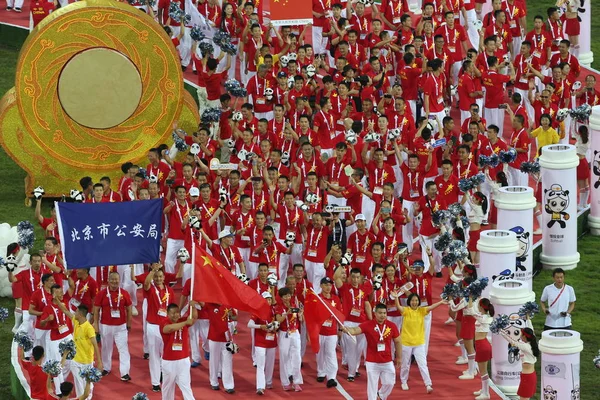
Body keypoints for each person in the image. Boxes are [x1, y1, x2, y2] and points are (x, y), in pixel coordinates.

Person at [342, 303, 402, 400]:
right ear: (375, 313)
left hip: (387, 360)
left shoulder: (392, 326)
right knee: (372, 386)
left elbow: (398, 341)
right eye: (380, 313)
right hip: (372, 361)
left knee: (390, 382)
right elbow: (355, 330)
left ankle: (381, 395)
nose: (382, 315)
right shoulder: (368, 324)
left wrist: (399, 357)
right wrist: (347, 330)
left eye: (384, 313)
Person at [398, 293, 448, 394]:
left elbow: (431, 307)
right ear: (409, 301)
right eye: (412, 300)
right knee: (405, 364)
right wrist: (395, 298)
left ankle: (428, 384)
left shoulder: (421, 311)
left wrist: (441, 302)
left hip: (419, 343)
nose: (414, 302)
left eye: (416, 300)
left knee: (423, 364)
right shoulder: (406, 310)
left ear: (418, 302)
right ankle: (403, 381)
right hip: (406, 342)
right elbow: (398, 307)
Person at [92, 271, 132, 381]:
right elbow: (96, 309)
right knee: (106, 347)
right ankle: (106, 367)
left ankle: (125, 373)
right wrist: (95, 324)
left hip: (121, 326)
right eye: (112, 279)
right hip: (105, 325)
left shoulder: (124, 293)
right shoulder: (102, 293)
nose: (114, 281)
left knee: (123, 349)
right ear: (108, 281)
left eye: (116, 279)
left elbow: (129, 308)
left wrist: (129, 323)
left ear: (119, 281)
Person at [58, 303, 102, 399]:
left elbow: (95, 345)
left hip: (87, 362)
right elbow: (65, 311)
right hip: (75, 361)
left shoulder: (89, 328)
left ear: (81, 314)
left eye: (76, 311)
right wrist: (56, 299)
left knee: (88, 386)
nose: (75, 313)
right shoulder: (77, 322)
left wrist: (99, 362)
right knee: (79, 386)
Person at [160, 303, 197, 400]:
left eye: (177, 313)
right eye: (173, 313)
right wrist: (185, 323)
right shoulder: (164, 322)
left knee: (186, 386)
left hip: (183, 360)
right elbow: (169, 329)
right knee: (168, 388)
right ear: (167, 314)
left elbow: (194, 318)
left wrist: (193, 306)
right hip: (169, 361)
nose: (176, 315)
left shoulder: (181, 320)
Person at [247, 292, 278, 395]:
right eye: (266, 299)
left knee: (270, 364)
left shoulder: (274, 310)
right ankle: (260, 386)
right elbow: (249, 324)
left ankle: (268, 382)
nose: (268, 301)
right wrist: (260, 326)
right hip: (260, 341)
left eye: (269, 299)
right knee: (260, 364)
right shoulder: (257, 311)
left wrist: (276, 326)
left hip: (272, 340)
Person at [316, 276, 343, 387]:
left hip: (332, 331)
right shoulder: (317, 298)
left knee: (331, 353)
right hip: (320, 331)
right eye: (326, 285)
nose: (328, 287)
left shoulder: (335, 299)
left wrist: (340, 328)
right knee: (320, 353)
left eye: (330, 285)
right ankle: (321, 372)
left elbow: (340, 314)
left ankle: (332, 376)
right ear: (321, 286)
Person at [275, 287, 304, 391]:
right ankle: (285, 382)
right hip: (284, 333)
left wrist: (300, 314)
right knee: (284, 357)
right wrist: (286, 313)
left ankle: (296, 382)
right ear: (281, 297)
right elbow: (278, 320)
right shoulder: (278, 308)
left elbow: (300, 319)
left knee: (297, 357)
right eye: (285, 296)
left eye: (289, 295)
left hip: (295, 333)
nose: (287, 297)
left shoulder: (294, 305)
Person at [499, 327, 539, 400]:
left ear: (524, 336)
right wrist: (528, 319)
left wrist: (501, 331)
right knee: (525, 398)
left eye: (521, 334)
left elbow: (512, 341)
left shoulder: (526, 347)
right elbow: (532, 330)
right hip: (529, 376)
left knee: (523, 398)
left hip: (527, 377)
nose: (520, 336)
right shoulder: (532, 343)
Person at [207, 302, 237, 393]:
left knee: (227, 361)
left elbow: (235, 317)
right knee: (214, 361)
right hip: (214, 337)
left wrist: (232, 316)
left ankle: (229, 385)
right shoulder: (209, 305)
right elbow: (199, 304)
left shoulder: (228, 305)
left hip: (226, 338)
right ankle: (214, 382)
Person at [473, 298, 494, 400]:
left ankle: (486, 393)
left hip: (482, 345)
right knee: (483, 371)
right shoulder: (485, 317)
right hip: (481, 344)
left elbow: (471, 311)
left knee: (483, 371)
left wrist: (470, 299)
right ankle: (483, 390)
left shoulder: (483, 317)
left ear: (481, 307)